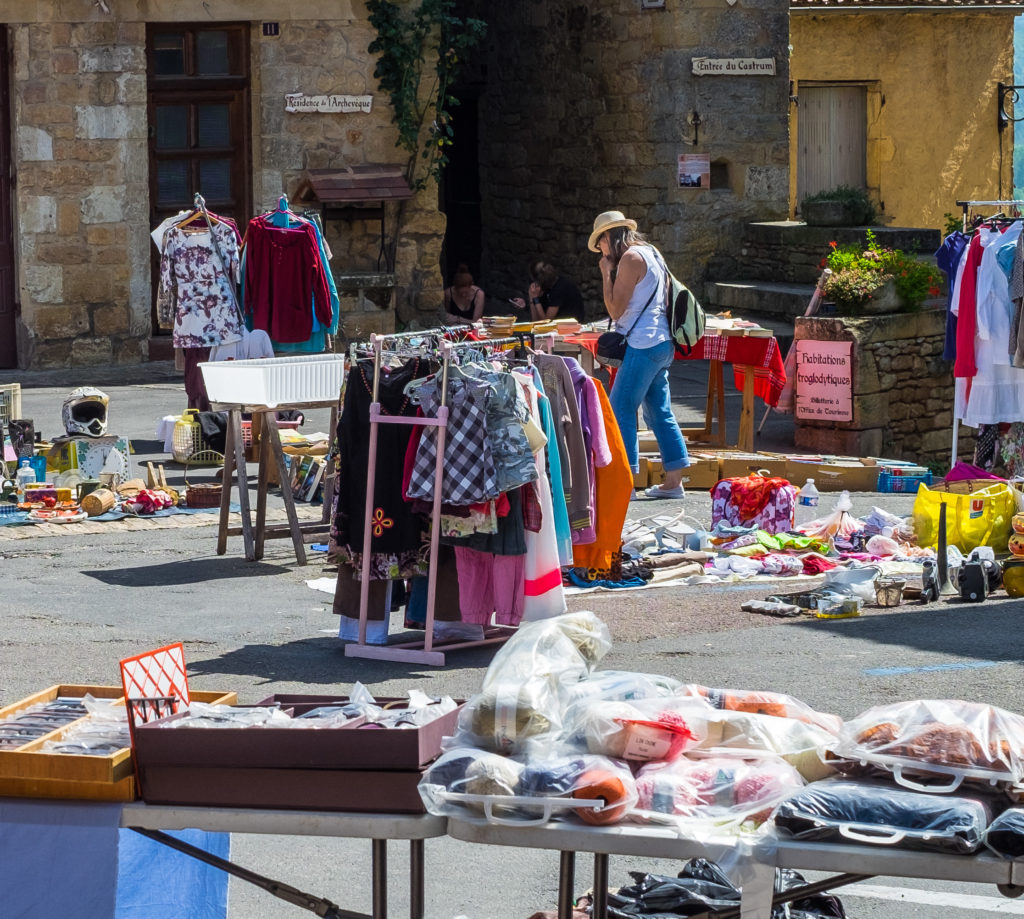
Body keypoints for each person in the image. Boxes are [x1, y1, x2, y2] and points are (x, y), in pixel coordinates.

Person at [589, 209, 690, 498]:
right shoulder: (652, 252)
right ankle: (674, 482)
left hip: (643, 345)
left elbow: (615, 310)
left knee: (621, 407)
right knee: (659, 412)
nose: (601, 250)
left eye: (600, 243)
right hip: (662, 342)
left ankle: (625, 482)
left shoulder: (631, 259)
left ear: (609, 237)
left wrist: (606, 274)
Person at [511, 260, 585, 322]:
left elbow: (546, 322)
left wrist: (535, 299)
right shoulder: (548, 288)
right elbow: (535, 321)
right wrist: (531, 298)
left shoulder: (559, 289)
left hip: (571, 327)